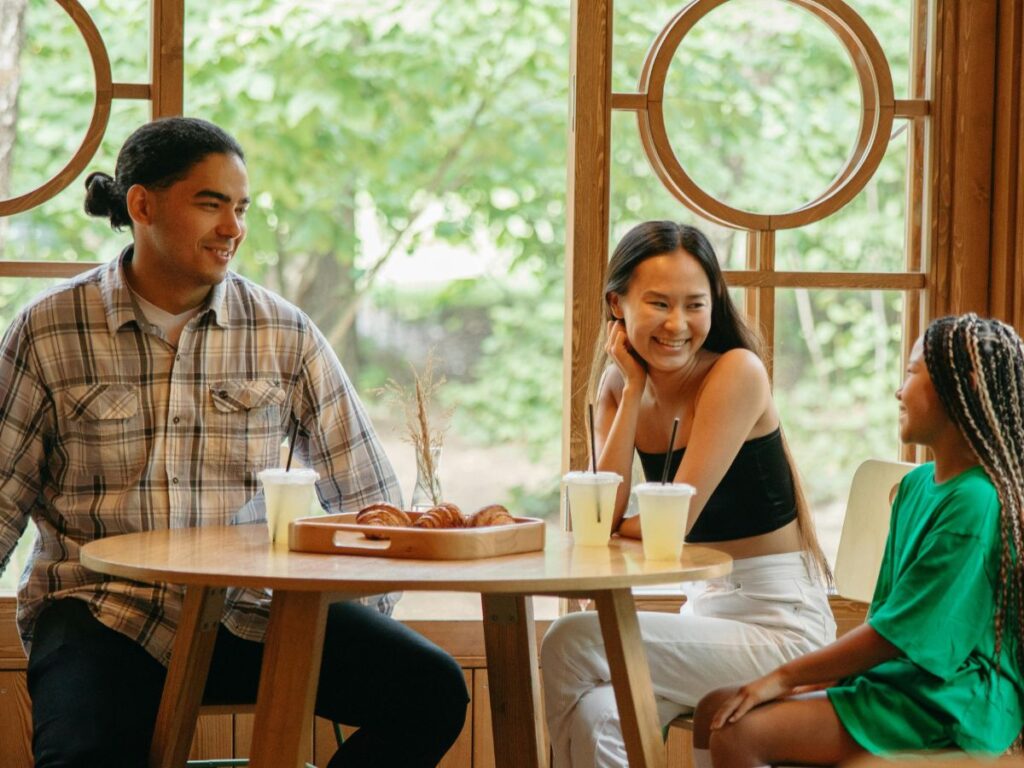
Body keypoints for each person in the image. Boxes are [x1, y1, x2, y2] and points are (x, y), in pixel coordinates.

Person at [0, 117, 468, 768]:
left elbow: (371, 497)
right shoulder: (48, 330)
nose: (233, 228)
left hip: (257, 616)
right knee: (83, 756)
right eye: (210, 204)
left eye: (241, 208)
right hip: (104, 614)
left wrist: (347, 614)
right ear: (142, 205)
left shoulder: (284, 332)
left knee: (433, 690)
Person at [541, 220, 835, 767]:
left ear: (714, 304)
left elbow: (667, 526)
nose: (678, 324)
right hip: (707, 617)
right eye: (658, 303)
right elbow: (597, 520)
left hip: (781, 627)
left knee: (570, 640)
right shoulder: (616, 386)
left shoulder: (735, 372)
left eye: (694, 304)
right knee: (596, 714)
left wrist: (620, 524)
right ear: (617, 304)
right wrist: (631, 390)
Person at [694, 313, 1024, 767]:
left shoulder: (974, 502)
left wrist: (785, 678)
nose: (898, 391)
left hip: (952, 700)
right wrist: (811, 681)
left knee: (739, 734)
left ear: (958, 386)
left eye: (911, 374)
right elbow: (887, 616)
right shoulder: (916, 488)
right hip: (905, 681)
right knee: (715, 707)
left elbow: (898, 635)